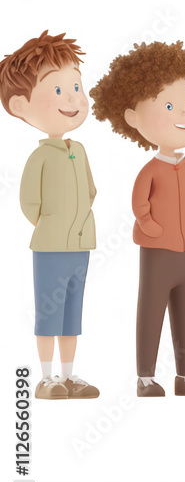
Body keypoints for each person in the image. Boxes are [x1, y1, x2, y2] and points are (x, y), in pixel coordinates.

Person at [90, 41, 185, 397]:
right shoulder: (151, 169)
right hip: (158, 252)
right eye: (170, 105)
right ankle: (145, 377)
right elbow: (139, 204)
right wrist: (149, 225)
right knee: (151, 310)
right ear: (132, 118)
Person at [0, 30, 100, 399]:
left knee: (73, 314)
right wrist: (52, 226)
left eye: (76, 85)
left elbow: (91, 191)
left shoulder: (81, 150)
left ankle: (69, 375)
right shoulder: (40, 156)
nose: (73, 97)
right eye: (58, 90)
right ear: (20, 106)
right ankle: (45, 377)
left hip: (81, 245)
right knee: (49, 311)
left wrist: (79, 226)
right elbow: (30, 204)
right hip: (50, 247)